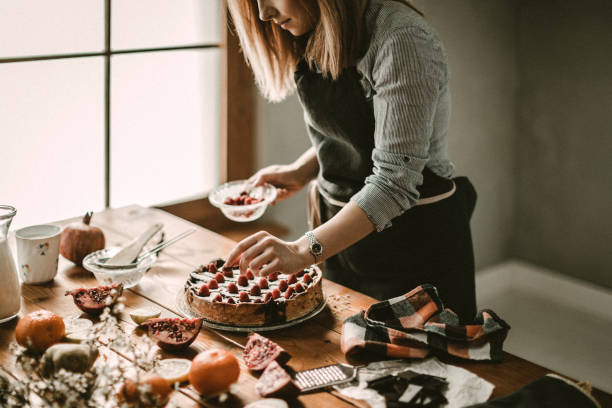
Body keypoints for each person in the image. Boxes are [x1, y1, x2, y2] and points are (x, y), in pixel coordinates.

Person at [224, 0, 478, 321]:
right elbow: (358, 136)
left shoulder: (401, 38)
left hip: (412, 244)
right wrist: (301, 171)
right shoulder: (311, 28)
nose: (264, 14)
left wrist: (301, 250)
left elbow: (394, 182)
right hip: (340, 245)